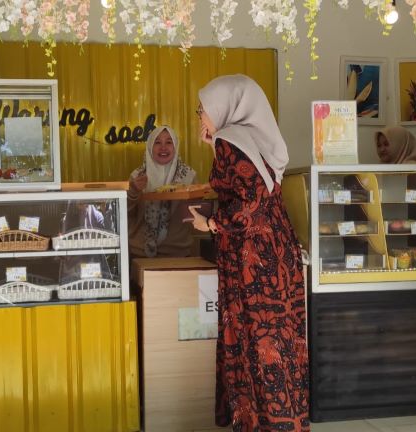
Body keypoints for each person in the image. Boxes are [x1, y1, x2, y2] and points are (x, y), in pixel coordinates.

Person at [188, 75, 310, 431]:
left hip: (253, 266)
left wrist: (209, 225)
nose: (200, 117)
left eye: (203, 110)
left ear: (225, 107)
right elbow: (257, 193)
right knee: (280, 348)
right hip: (277, 258)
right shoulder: (255, 137)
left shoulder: (230, 139)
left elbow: (248, 206)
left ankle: (260, 425)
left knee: (255, 346)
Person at [128, 125, 196, 258]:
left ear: (175, 146)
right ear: (150, 147)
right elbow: (126, 214)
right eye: (157, 142)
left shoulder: (189, 177)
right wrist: (133, 191)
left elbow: (195, 216)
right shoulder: (137, 177)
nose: (163, 147)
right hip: (140, 254)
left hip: (178, 253)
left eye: (169, 142)